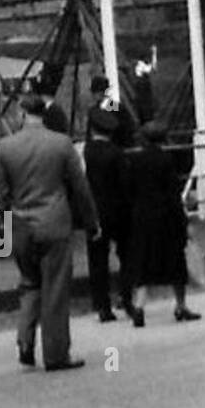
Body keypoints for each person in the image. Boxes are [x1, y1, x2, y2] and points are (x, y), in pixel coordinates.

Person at [0, 93, 98, 372]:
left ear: (22, 114)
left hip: (20, 226)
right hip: (54, 223)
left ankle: (25, 342)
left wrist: (9, 218)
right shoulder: (61, 144)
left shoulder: (5, 147)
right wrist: (91, 222)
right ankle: (55, 353)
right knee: (55, 290)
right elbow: (80, 187)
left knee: (29, 284)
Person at [125, 122, 200, 326]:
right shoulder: (167, 160)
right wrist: (183, 220)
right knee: (175, 262)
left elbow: (130, 190)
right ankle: (180, 305)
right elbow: (173, 193)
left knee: (143, 263)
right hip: (166, 217)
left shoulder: (135, 160)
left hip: (142, 217)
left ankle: (139, 306)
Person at [83, 107, 131, 322]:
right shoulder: (117, 153)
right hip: (117, 211)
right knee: (126, 255)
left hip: (93, 212)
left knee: (97, 260)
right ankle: (126, 297)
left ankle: (102, 305)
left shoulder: (84, 152)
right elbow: (125, 184)